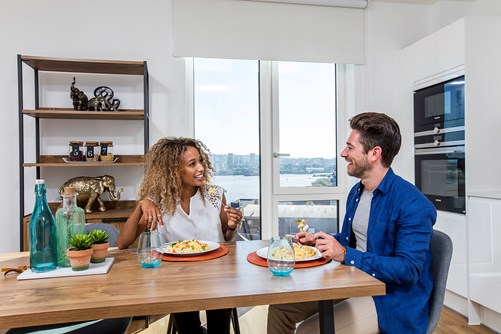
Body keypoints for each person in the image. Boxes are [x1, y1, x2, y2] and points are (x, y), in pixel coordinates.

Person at [267, 112, 437, 334]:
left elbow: (408, 270)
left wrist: (345, 254)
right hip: (354, 280)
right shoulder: (357, 192)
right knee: (280, 309)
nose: (343, 153)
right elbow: (354, 240)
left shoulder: (413, 204)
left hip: (388, 298)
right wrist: (318, 241)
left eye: (350, 147)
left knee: (308, 331)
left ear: (375, 153)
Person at [117, 137, 243, 334]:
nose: (201, 168)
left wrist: (232, 227)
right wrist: (141, 205)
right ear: (173, 170)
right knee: (188, 329)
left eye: (200, 161)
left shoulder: (215, 194)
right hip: (175, 281)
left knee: (220, 328)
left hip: (217, 275)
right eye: (192, 164)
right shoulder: (158, 201)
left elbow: (226, 239)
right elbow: (123, 243)